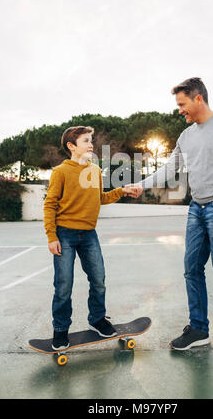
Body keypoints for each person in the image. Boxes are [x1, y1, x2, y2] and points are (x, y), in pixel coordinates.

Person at [129, 77, 213, 350]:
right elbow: (170, 169)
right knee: (191, 269)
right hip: (196, 209)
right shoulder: (186, 136)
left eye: (182, 104)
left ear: (198, 98)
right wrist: (141, 185)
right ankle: (199, 329)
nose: (180, 110)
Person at [44, 125, 138, 350]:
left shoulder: (94, 170)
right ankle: (60, 330)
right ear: (71, 146)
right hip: (64, 234)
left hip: (88, 234)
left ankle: (97, 319)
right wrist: (51, 236)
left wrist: (122, 191)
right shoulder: (61, 172)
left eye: (91, 140)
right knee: (64, 285)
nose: (91, 144)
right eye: (86, 141)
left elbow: (100, 199)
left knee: (99, 279)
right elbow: (50, 204)